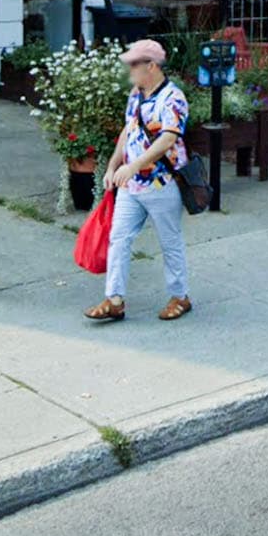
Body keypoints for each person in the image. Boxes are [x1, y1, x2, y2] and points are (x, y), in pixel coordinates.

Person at [85, 39, 192, 323]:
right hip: (131, 187)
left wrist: (132, 166)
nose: (129, 70)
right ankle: (114, 299)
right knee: (118, 238)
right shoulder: (137, 94)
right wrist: (113, 165)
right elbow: (128, 130)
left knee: (170, 241)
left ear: (152, 66)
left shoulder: (173, 98)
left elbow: (169, 137)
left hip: (162, 183)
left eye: (134, 64)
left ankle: (180, 297)